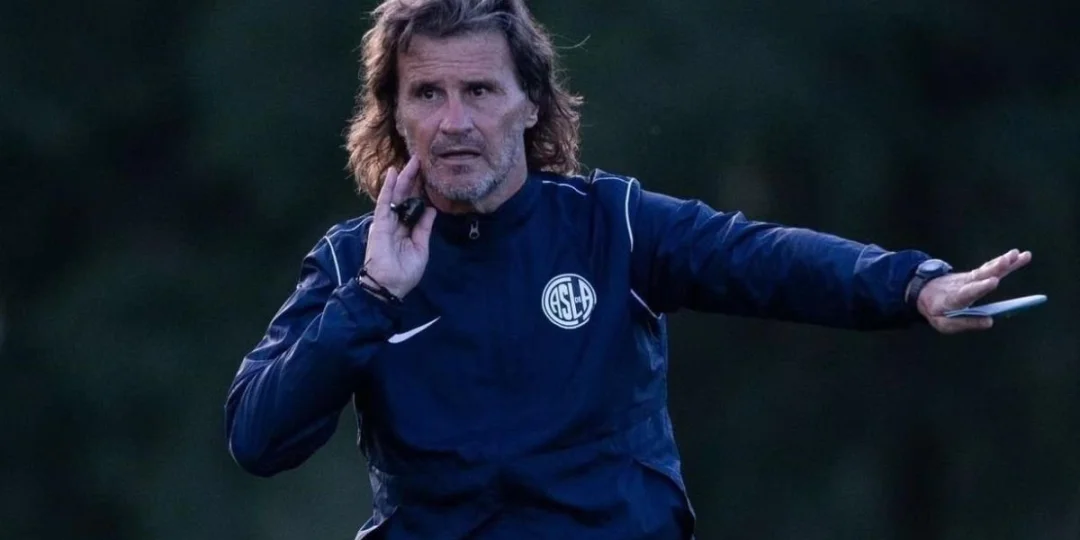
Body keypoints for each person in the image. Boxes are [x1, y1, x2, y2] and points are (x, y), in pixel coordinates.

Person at [224, 0, 1033, 538]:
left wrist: (911, 284)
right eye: (427, 94)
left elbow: (763, 258)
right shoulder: (354, 263)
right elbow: (258, 437)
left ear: (530, 103)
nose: (455, 120)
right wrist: (372, 298)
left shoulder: (613, 225)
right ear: (395, 114)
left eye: (479, 90)